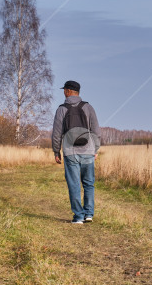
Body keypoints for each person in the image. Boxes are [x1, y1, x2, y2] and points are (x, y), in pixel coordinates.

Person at [52, 80, 101, 224]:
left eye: (64, 90)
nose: (63, 93)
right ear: (78, 92)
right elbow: (96, 131)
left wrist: (56, 151)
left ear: (67, 91)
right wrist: (96, 149)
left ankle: (78, 217)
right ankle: (89, 214)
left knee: (74, 184)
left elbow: (56, 133)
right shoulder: (88, 107)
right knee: (88, 183)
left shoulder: (61, 109)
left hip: (70, 152)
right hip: (88, 151)